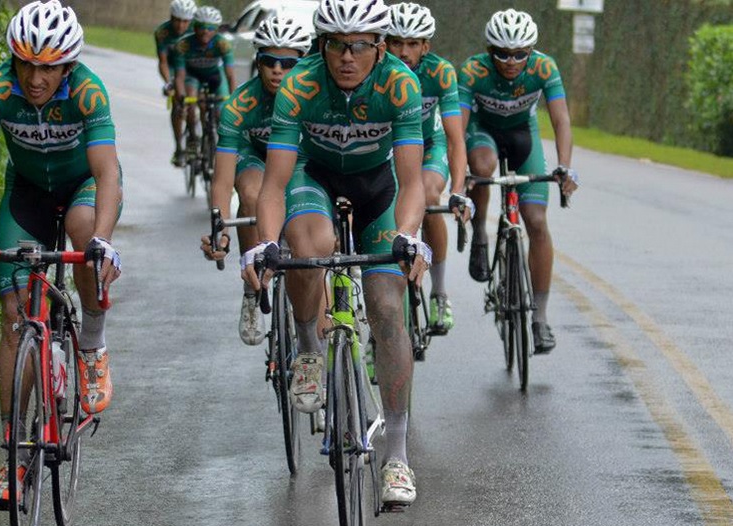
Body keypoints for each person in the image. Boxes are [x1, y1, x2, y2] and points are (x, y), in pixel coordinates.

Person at [241, 0, 469, 506]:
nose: (347, 56)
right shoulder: (300, 85)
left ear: (379, 46)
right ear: (321, 46)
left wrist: (409, 234)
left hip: (378, 190)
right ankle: (306, 348)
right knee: (307, 248)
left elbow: (411, 182)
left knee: (388, 310)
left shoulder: (399, 84)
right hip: (312, 179)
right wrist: (263, 244)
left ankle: (397, 456)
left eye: (360, 45)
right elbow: (274, 185)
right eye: (336, 45)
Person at [0, 0, 122, 507]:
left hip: (83, 187)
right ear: (13, 60)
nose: (35, 77)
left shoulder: (87, 89)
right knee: (16, 317)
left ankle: (92, 347)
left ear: (68, 64)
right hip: (27, 196)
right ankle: (15, 453)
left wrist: (102, 241)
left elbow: (106, 172)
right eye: (26, 63)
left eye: (48, 66)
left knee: (85, 232)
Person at [458, 8, 578, 353]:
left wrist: (565, 167)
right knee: (482, 166)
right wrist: (460, 175)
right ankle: (480, 231)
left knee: (537, 222)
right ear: (488, 49)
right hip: (484, 134)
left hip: (524, 137)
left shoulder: (544, 67)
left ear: (531, 51)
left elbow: (562, 120)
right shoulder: (473, 70)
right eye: (502, 53)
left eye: (519, 54)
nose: (511, 61)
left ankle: (539, 319)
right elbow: (461, 125)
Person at [200, 16, 312, 345]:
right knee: (251, 192)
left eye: (288, 62)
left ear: (302, 64)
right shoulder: (239, 105)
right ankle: (252, 283)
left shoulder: (315, 97)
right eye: (269, 61)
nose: (278, 69)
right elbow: (221, 179)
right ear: (257, 62)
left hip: (300, 159)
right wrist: (218, 226)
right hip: (255, 158)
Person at [385, 3, 470, 335]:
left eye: (413, 43)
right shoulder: (377, 71)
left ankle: (439, 291)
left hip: (429, 146)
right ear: (384, 43)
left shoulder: (441, 72)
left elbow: (454, 138)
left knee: (430, 196)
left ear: (426, 46)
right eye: (396, 42)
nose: (404, 51)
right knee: (386, 208)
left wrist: (459, 189)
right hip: (388, 150)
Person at [173, 6, 237, 157]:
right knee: (190, 104)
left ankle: (220, 145)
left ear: (216, 30)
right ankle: (193, 138)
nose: (205, 31)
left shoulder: (223, 44)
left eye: (210, 27)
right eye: (201, 26)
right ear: (195, 27)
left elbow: (230, 76)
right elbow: (180, 77)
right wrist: (182, 97)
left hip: (214, 75)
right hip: (192, 76)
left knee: (221, 112)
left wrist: (234, 98)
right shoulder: (183, 45)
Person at [154, 0, 197, 166]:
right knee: (179, 102)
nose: (181, 25)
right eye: (177, 20)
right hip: (173, 68)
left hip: (192, 67)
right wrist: (168, 82)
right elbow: (163, 62)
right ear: (171, 17)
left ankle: (196, 136)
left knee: (196, 99)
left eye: (185, 21)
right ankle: (180, 147)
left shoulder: (196, 30)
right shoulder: (162, 33)